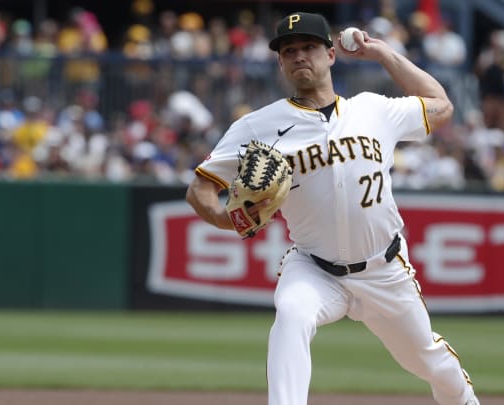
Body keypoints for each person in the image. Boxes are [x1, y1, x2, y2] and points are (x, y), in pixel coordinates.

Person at [185, 11, 479, 405]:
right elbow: (200, 189)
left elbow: (440, 106)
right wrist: (226, 217)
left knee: (425, 359)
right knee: (291, 314)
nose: (299, 56)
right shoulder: (257, 126)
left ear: (330, 55)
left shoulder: (373, 110)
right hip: (314, 268)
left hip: (384, 271)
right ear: (280, 62)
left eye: (309, 47)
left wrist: (383, 54)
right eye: (289, 51)